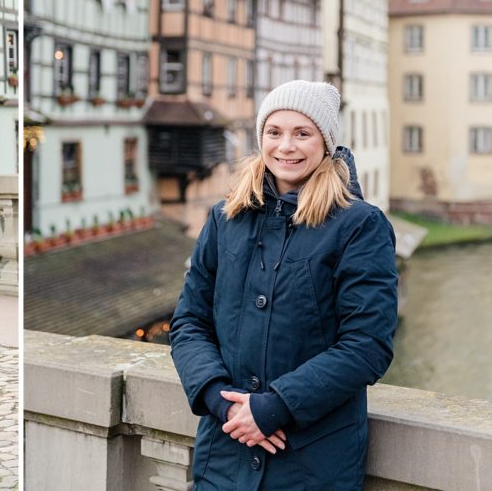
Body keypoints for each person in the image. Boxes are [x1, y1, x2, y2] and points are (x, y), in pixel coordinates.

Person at [169, 80, 398, 490]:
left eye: (302, 133)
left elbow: (367, 345)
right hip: (224, 456)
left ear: (326, 143)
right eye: (274, 132)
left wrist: (276, 407)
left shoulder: (359, 226)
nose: (286, 146)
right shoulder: (225, 219)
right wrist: (224, 405)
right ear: (261, 138)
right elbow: (189, 322)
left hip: (311, 464)